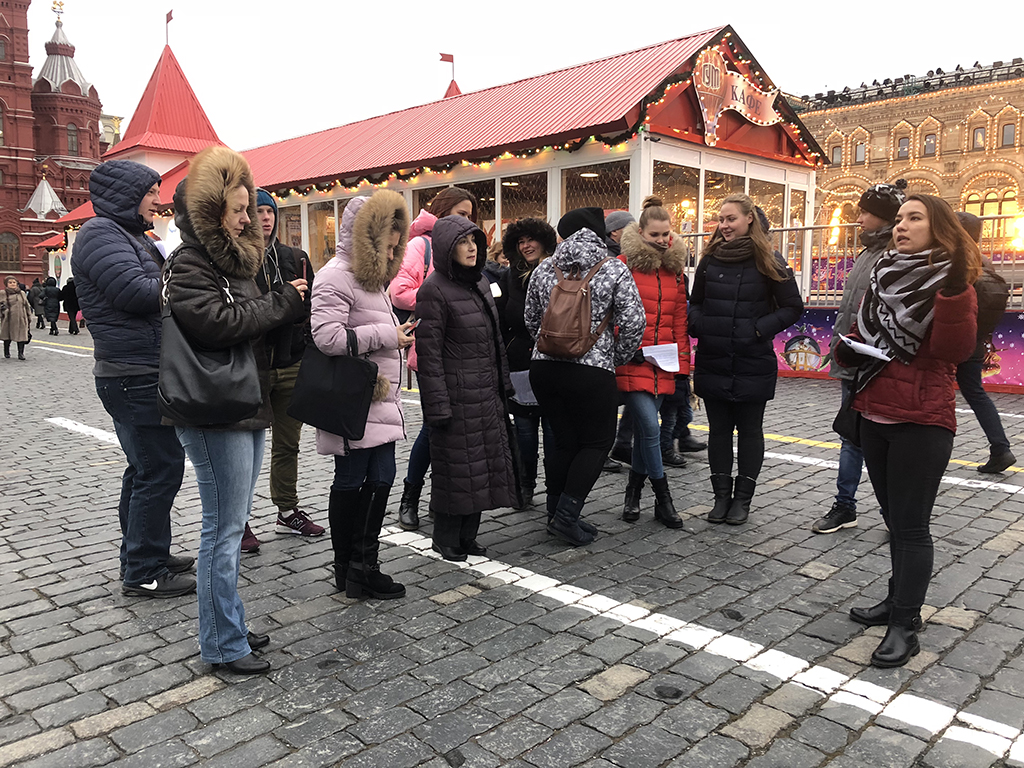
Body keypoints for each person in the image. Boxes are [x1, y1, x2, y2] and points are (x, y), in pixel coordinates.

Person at [162, 146, 307, 674]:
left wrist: (278, 304)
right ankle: (222, 644)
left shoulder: (229, 261)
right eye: (239, 210)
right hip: (212, 407)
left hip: (241, 401)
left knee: (230, 524)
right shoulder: (189, 262)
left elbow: (244, 319)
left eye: (249, 208)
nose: (248, 218)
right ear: (211, 211)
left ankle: (230, 625)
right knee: (222, 532)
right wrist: (281, 303)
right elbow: (218, 324)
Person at [837, 194, 980, 668]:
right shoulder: (884, 272)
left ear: (938, 228)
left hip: (921, 420)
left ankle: (905, 624)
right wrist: (849, 348)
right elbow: (864, 331)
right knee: (893, 519)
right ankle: (896, 599)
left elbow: (955, 351)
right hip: (874, 410)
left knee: (912, 525)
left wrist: (954, 293)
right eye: (899, 218)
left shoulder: (952, 282)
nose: (901, 226)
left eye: (914, 218)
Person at [71, 159, 194, 597]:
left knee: (146, 468)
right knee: (159, 469)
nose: (158, 202)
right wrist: (186, 279)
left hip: (139, 369)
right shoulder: (100, 234)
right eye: (151, 193)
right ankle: (144, 569)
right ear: (128, 195)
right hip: (132, 372)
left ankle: (144, 552)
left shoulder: (129, 235)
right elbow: (137, 293)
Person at [312, 190, 412, 598]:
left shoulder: (371, 280)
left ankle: (362, 566)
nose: (391, 249)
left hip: (378, 400)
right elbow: (327, 338)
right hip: (354, 400)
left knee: (381, 477)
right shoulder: (336, 275)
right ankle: (351, 568)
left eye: (395, 242)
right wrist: (388, 335)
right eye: (386, 241)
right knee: (353, 479)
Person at [525, 207, 646, 545]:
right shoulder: (613, 268)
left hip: (544, 369)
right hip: (591, 370)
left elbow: (531, 318)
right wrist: (613, 356)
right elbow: (634, 322)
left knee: (564, 440)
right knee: (596, 442)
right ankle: (567, 516)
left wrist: (549, 347)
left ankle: (555, 512)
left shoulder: (545, 267)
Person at [689, 194, 803, 525]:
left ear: (749, 218)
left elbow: (792, 307)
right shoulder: (709, 260)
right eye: (721, 220)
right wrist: (701, 325)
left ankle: (742, 499)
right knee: (718, 431)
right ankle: (720, 497)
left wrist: (757, 329)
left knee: (750, 430)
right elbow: (695, 303)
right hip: (714, 357)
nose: (724, 225)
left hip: (752, 359)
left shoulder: (770, 259)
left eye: (731, 219)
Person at [415, 214, 518, 560]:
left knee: (481, 469)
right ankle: (446, 538)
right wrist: (438, 406)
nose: (471, 248)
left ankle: (467, 535)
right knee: (455, 471)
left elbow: (494, 341)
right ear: (447, 248)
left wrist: (503, 386)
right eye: (463, 242)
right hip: (456, 397)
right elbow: (429, 355)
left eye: (474, 240)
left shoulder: (480, 282)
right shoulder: (433, 290)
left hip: (485, 394)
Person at [814, 180, 907, 534]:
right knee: (851, 436)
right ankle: (845, 504)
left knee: (884, 441)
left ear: (883, 217)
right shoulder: (867, 251)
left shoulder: (894, 254)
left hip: (880, 363)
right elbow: (851, 308)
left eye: (866, 212)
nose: (859, 218)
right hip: (855, 356)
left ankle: (893, 512)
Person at [389, 187, 478, 531]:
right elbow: (399, 292)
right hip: (432, 351)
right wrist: (442, 297)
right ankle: (410, 497)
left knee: (458, 431)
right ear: (442, 212)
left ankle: (443, 501)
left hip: (463, 353)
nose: (466, 220)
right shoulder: (420, 246)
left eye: (470, 215)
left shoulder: (467, 249)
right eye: (460, 213)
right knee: (433, 427)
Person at [248, 187, 325, 552]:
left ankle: (287, 511)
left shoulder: (295, 257)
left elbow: (309, 307)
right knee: (245, 448)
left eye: (270, 211)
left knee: (288, 444)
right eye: (258, 211)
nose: (265, 218)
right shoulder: (239, 259)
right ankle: (238, 519)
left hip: (291, 361)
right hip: (253, 365)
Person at [616, 196, 689, 528]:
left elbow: (680, 322)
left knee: (647, 434)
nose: (661, 240)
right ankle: (663, 499)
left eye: (665, 235)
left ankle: (632, 494)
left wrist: (683, 367)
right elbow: (611, 313)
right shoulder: (623, 265)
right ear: (641, 232)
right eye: (654, 235)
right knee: (649, 428)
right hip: (632, 360)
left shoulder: (675, 272)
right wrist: (624, 347)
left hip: (664, 363)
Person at [495, 217, 558, 510]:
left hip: (554, 359)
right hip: (520, 359)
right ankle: (525, 485)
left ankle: (555, 491)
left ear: (543, 240)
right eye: (520, 241)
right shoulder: (510, 277)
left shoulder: (559, 272)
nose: (526, 246)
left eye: (530, 239)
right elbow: (501, 318)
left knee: (554, 430)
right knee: (525, 431)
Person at [954, 211, 1015, 474]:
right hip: (976, 340)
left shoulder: (953, 261)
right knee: (976, 393)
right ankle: (1001, 448)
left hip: (950, 340)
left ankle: (930, 451)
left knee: (935, 393)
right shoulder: (984, 261)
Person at [1, 276, 31, 359]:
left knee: (22, 336)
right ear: (6, 284)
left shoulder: (22, 293)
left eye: (14, 282)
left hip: (21, 318)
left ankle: (21, 353)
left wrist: (28, 316)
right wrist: (4, 312)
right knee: (7, 336)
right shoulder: (3, 293)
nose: (12, 284)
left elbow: (26, 305)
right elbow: (1, 304)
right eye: (10, 282)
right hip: (9, 318)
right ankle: (6, 351)